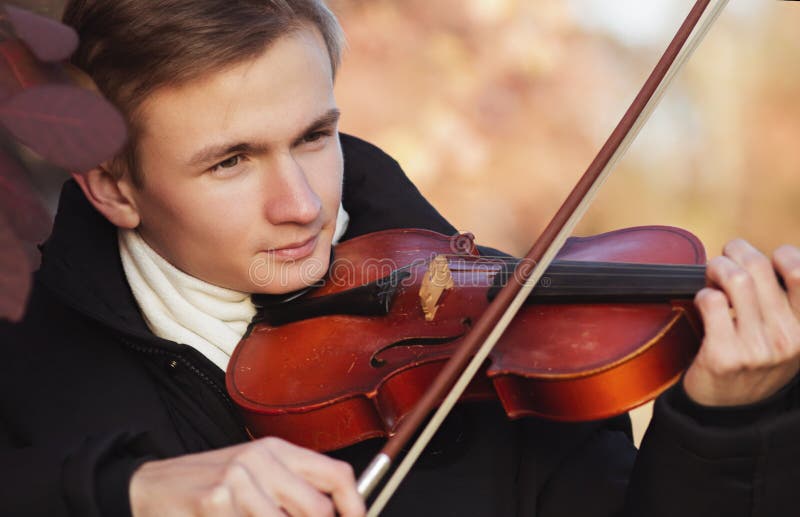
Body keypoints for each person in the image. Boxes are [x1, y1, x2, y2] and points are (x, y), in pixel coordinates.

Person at [1, 1, 798, 515]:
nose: (302, 205)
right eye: (231, 162)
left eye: (315, 137)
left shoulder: (497, 336)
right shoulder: (24, 360)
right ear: (112, 186)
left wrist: (723, 425)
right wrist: (125, 491)